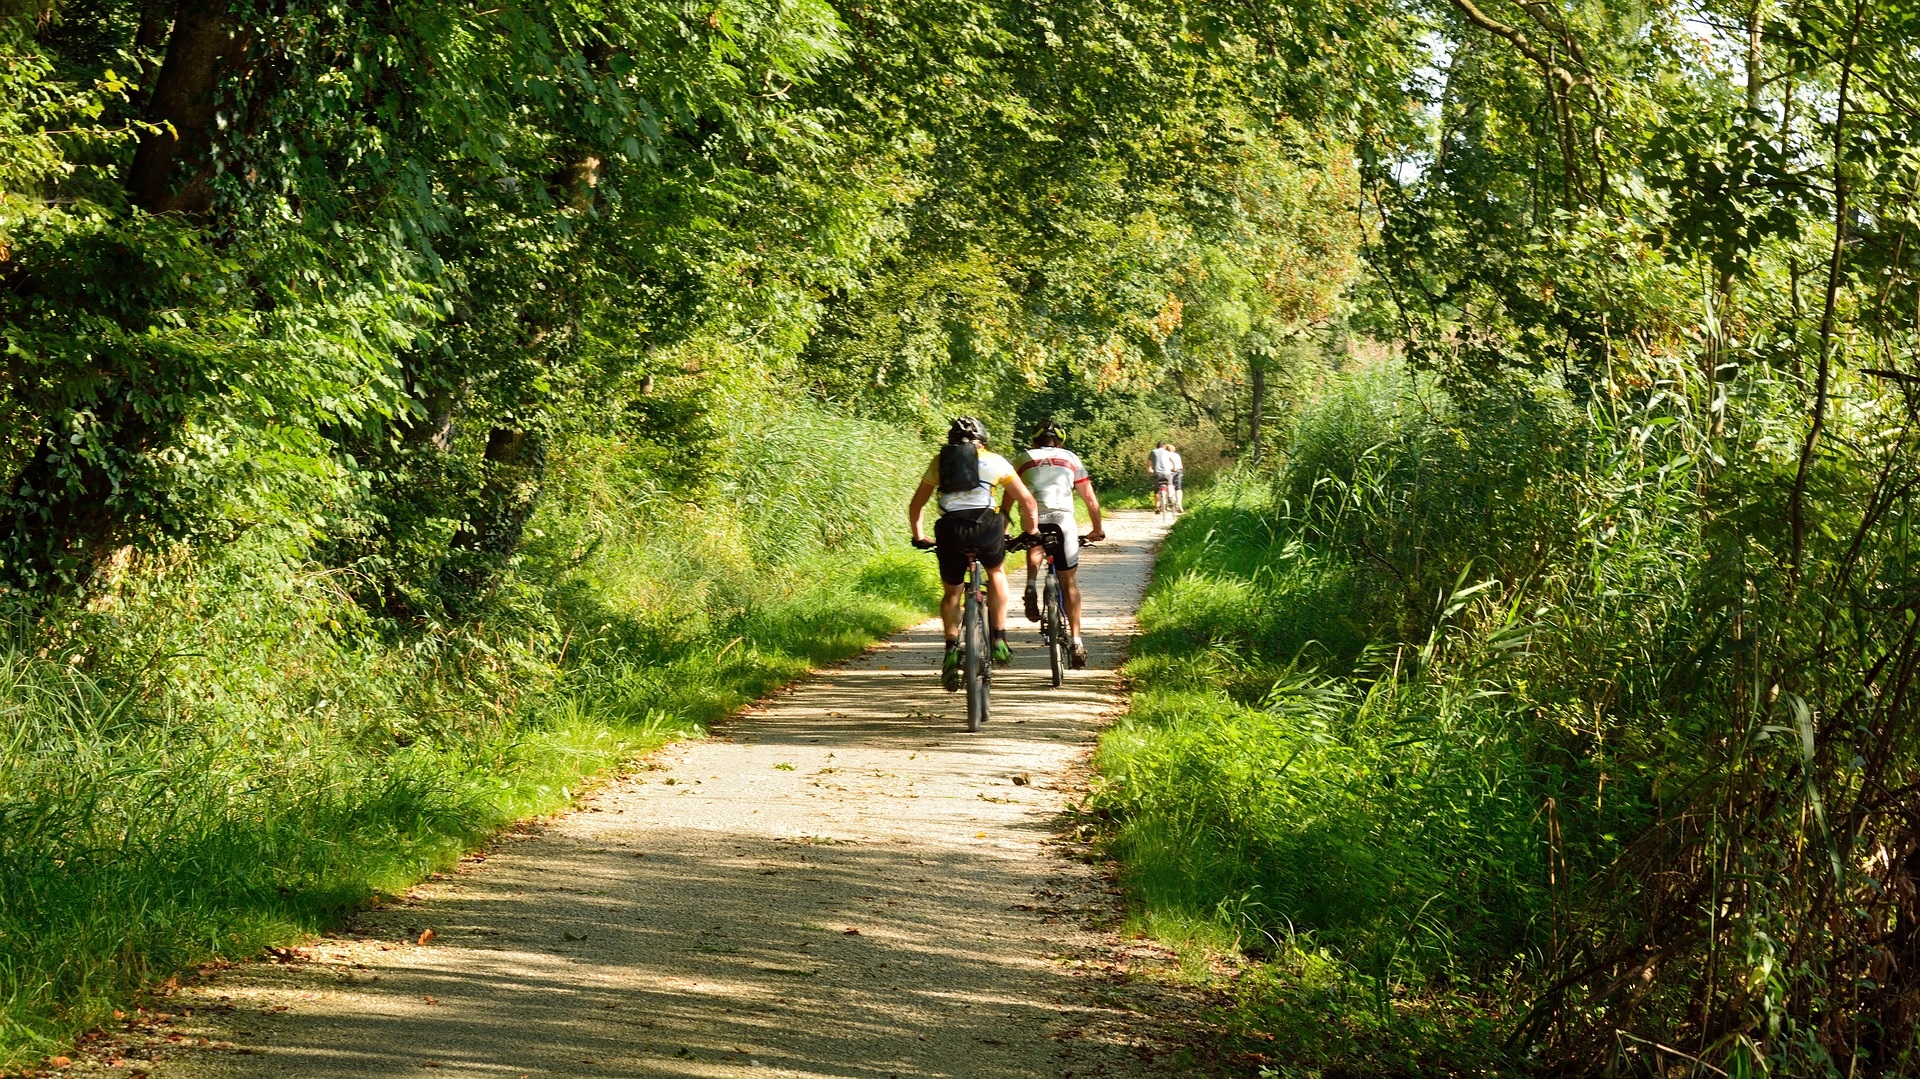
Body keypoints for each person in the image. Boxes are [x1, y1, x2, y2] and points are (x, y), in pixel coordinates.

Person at [908, 417, 1039, 691]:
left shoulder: (940, 461)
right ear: (983, 439)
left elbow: (916, 504)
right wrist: (1031, 531)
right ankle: (1000, 638)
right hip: (986, 527)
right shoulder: (996, 461)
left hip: (950, 530)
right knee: (996, 572)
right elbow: (1027, 501)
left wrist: (919, 535)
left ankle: (951, 647)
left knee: (952, 592)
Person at [1006, 422, 1106, 669]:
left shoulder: (1022, 458)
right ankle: (1076, 640)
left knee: (1034, 538)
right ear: (1059, 442)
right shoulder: (1071, 458)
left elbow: (1008, 499)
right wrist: (1097, 529)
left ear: (1035, 441)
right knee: (1068, 582)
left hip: (1035, 516)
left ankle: (1030, 583)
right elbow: (1091, 500)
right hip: (1063, 519)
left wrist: (1004, 531)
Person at [1148, 442, 1177, 514]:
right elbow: (1172, 461)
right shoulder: (1167, 452)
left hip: (1157, 473)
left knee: (1157, 490)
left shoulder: (1153, 452)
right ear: (1164, 446)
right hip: (1167, 472)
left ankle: (1157, 507)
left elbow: (1149, 464)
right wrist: (1174, 468)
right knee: (1170, 484)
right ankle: (1170, 497)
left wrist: (1150, 470)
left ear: (1157, 446)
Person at [1167, 442, 1185, 512]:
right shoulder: (1177, 455)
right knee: (1178, 488)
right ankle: (1179, 504)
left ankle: (1170, 498)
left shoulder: (1165, 455)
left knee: (1169, 485)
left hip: (1170, 471)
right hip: (1179, 471)